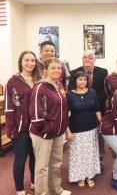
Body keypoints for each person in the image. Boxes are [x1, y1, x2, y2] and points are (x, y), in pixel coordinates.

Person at [29, 58, 71, 195]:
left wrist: (64, 128)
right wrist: (45, 131)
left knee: (56, 163)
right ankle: (42, 193)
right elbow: (35, 114)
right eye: (53, 68)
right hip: (43, 134)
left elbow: (64, 110)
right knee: (42, 167)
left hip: (58, 133)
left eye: (59, 68)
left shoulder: (60, 85)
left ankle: (56, 189)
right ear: (45, 70)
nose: (57, 71)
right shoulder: (40, 87)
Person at [5, 51, 41, 195]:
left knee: (35, 158)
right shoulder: (13, 81)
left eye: (33, 60)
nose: (30, 63)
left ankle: (34, 182)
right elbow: (9, 107)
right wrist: (11, 129)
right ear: (21, 62)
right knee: (20, 159)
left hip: (37, 127)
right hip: (21, 129)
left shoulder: (39, 79)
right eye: (27, 60)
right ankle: (20, 189)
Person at [70, 50, 108, 164]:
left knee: (99, 135)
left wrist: (93, 100)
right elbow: (71, 90)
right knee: (83, 137)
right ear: (82, 60)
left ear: (94, 60)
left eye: (90, 58)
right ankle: (83, 160)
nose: (87, 60)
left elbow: (105, 90)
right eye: (84, 57)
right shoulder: (74, 72)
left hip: (99, 108)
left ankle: (99, 159)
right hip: (80, 110)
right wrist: (84, 101)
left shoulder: (103, 72)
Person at [66, 71, 102, 188]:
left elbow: (97, 109)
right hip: (76, 130)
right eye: (80, 79)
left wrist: (101, 124)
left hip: (91, 129)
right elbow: (65, 115)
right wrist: (68, 131)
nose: (83, 82)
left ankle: (89, 176)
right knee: (78, 155)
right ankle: (79, 177)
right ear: (75, 80)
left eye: (85, 79)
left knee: (90, 153)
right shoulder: (69, 95)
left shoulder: (92, 92)